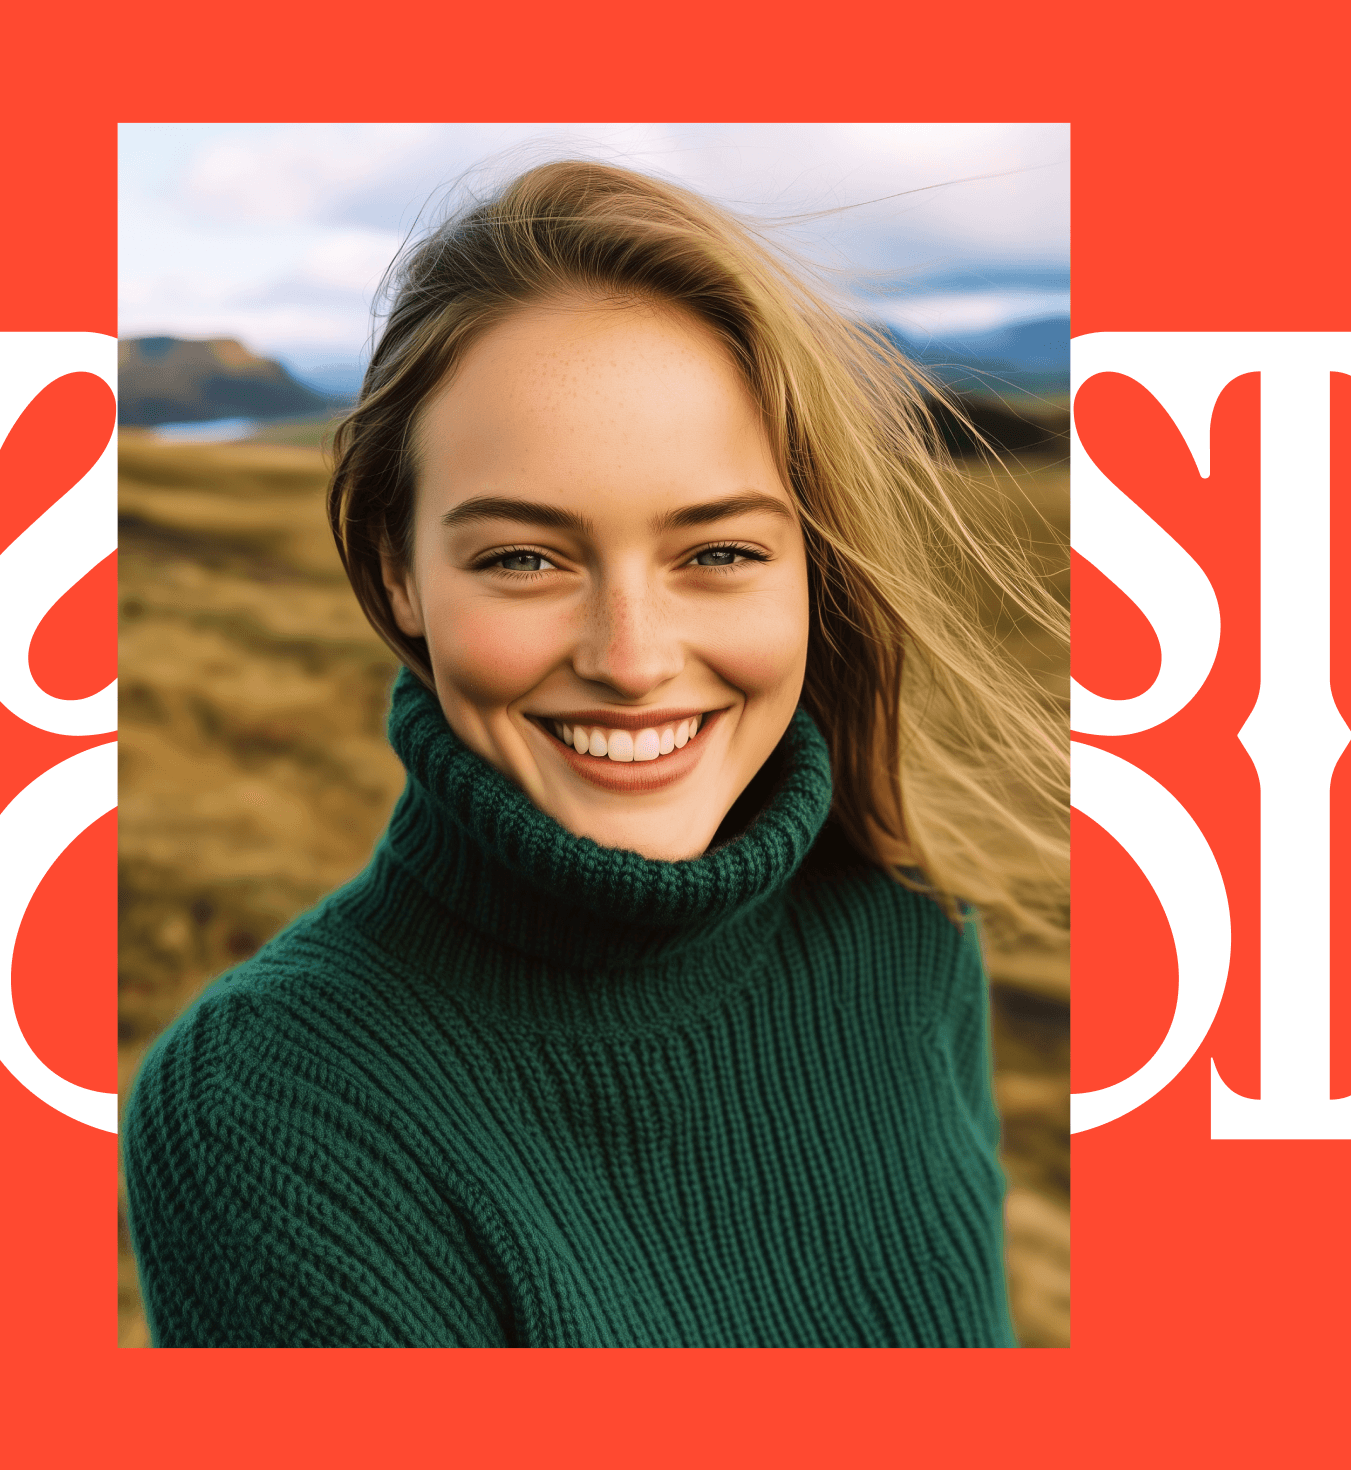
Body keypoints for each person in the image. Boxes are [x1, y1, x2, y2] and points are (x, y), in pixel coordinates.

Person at [123, 159, 1066, 1347]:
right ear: (398, 571)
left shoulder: (904, 925)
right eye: (524, 558)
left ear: (812, 566)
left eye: (718, 553)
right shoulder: (272, 1110)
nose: (631, 658)